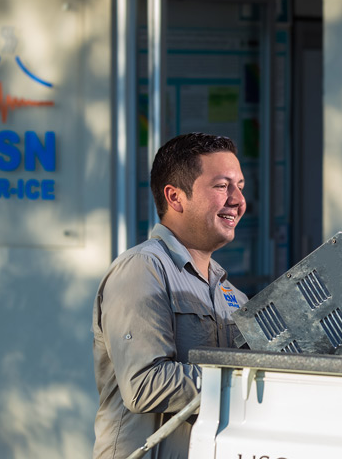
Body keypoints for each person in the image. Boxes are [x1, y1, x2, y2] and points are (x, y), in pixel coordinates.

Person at [92, 132, 249, 458]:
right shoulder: (141, 269)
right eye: (222, 186)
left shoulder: (230, 293)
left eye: (240, 186)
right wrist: (245, 378)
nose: (237, 199)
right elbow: (145, 384)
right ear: (175, 197)